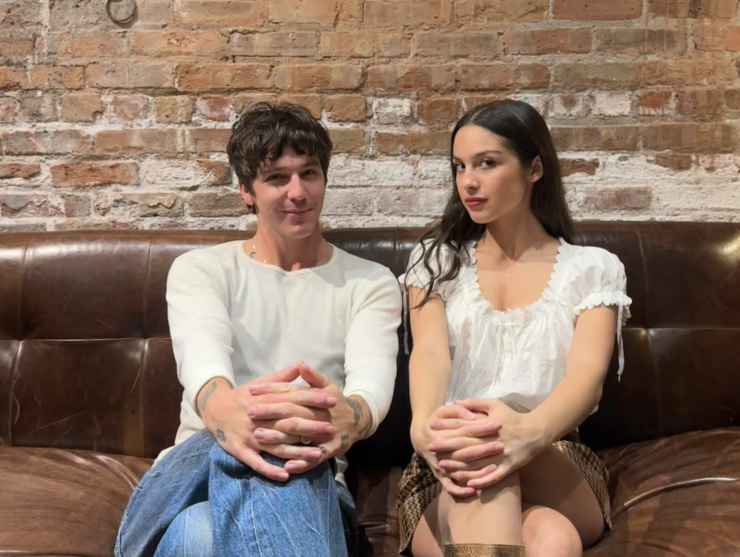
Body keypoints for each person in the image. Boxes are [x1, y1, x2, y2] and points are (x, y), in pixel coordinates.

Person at [115, 102, 402, 557]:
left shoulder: (370, 282)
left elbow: (371, 387)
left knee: (200, 534)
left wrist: (350, 418)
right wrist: (237, 413)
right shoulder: (202, 269)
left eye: (309, 173)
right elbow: (204, 363)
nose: (298, 192)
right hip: (190, 474)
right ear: (246, 190)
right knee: (271, 432)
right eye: (277, 178)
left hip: (313, 482)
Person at [397, 100, 632, 557]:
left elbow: (587, 379)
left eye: (487, 163)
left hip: (553, 453)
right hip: (446, 461)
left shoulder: (592, 269)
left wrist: (527, 433)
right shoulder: (436, 261)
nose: (468, 180)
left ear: (534, 169)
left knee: (488, 445)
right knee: (554, 540)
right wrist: (422, 428)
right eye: (460, 166)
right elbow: (429, 354)